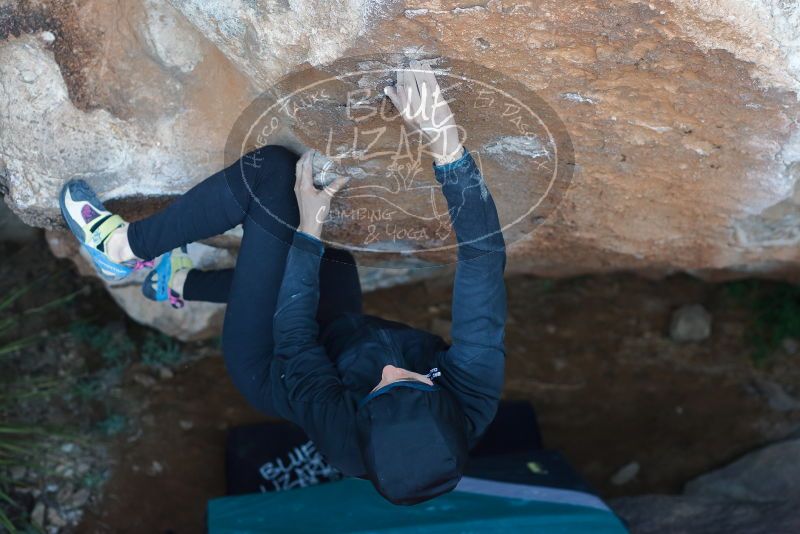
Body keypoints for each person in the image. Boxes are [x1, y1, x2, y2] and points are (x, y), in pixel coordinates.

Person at [59, 62, 507, 505]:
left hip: (273, 359)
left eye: (379, 389)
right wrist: (444, 140)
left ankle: (121, 249)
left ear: (364, 422)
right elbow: (482, 260)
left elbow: (294, 334)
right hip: (341, 336)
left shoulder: (342, 439)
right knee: (334, 263)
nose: (389, 369)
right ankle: (177, 282)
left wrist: (309, 225)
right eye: (408, 379)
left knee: (271, 176)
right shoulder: (473, 393)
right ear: (444, 400)